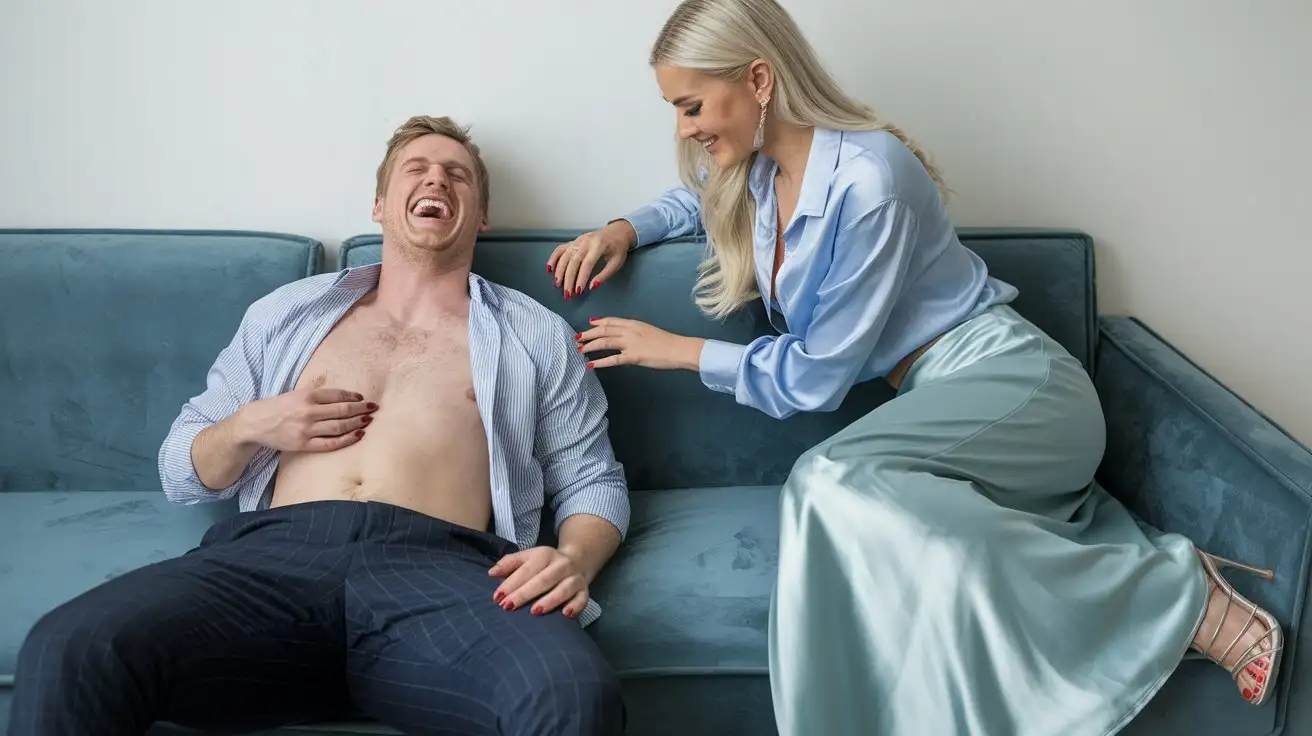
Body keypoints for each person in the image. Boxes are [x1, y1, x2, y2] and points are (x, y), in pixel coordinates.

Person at [559, 1, 1283, 734]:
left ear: (758, 79)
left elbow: (813, 379)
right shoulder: (759, 176)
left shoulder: (871, 177)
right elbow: (694, 202)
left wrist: (678, 351)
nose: (684, 128)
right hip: (941, 404)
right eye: (676, 110)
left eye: (691, 105)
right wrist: (625, 227)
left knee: (823, 482)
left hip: (1018, 387)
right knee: (880, 529)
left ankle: (1175, 591)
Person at [9, 115, 629, 736]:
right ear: (381, 205)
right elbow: (181, 470)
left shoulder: (536, 335)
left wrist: (573, 558)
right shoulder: (284, 315)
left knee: (571, 692)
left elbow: (592, 479)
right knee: (72, 646)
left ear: (480, 216)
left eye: (457, 174)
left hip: (444, 575)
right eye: (416, 169)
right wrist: (251, 424)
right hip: (272, 566)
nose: (436, 178)